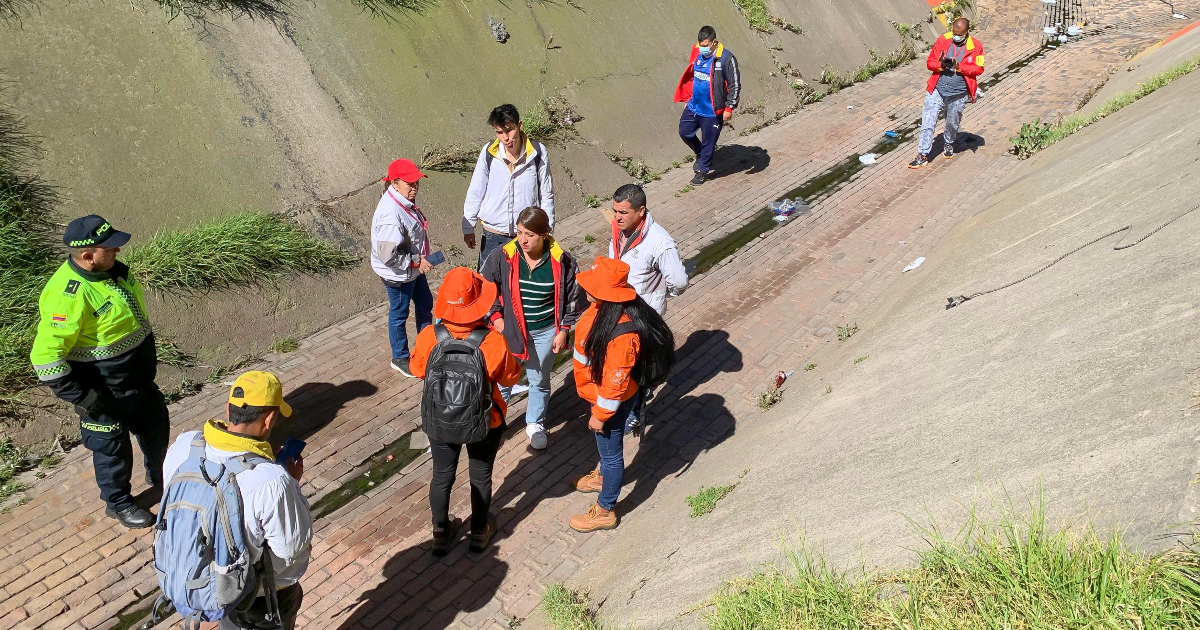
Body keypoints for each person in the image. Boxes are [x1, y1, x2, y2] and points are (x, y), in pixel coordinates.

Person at [30, 215, 169, 529]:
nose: (118, 252)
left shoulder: (113, 273)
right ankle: (118, 504)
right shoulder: (68, 296)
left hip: (138, 382)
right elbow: (45, 358)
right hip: (105, 393)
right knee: (112, 453)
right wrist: (84, 398)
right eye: (110, 248)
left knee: (156, 430)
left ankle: (160, 476)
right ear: (88, 256)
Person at [162, 371, 312, 630]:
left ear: (228, 410)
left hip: (200, 577)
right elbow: (290, 549)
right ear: (269, 419)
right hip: (257, 594)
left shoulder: (184, 447)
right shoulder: (272, 480)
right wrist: (292, 483)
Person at [410, 267, 521, 555]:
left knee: (442, 474)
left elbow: (416, 369)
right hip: (485, 420)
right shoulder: (493, 342)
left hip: (439, 418)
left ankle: (440, 532)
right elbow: (510, 378)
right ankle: (480, 532)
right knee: (480, 475)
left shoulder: (428, 336)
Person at [568, 258, 675, 533]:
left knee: (612, 454)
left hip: (609, 403)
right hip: (603, 395)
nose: (585, 289)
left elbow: (614, 383)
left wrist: (600, 416)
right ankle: (603, 476)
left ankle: (605, 509)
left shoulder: (622, 334)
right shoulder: (603, 309)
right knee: (607, 451)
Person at [480, 207, 585, 450]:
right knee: (503, 378)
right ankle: (496, 423)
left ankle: (535, 423)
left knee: (539, 379)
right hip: (510, 331)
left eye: (530, 234)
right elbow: (486, 288)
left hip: (545, 332)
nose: (523, 240)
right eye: (519, 233)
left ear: (545, 234)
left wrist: (563, 329)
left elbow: (573, 298)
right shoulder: (502, 256)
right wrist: (496, 318)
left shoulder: (563, 261)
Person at [463, 104, 556, 269]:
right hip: (493, 234)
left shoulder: (538, 152)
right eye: (499, 132)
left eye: (509, 130)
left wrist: (547, 229)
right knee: (489, 286)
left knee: (521, 285)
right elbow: (476, 189)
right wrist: (468, 226)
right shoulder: (489, 152)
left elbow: (546, 193)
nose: (505, 137)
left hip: (526, 234)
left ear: (519, 125)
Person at [371, 158, 435, 377]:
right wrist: (417, 261)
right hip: (398, 275)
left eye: (416, 183)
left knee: (425, 302)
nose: (415, 188)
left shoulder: (400, 201)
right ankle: (400, 358)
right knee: (399, 314)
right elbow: (388, 256)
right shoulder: (390, 215)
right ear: (394, 183)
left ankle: (427, 347)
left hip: (411, 271)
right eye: (410, 184)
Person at [909, 17, 985, 169]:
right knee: (928, 122)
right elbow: (930, 63)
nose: (956, 37)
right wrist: (941, 65)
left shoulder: (976, 46)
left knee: (952, 123)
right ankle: (922, 154)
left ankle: (949, 143)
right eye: (954, 33)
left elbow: (979, 69)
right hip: (937, 90)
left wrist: (960, 66)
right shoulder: (943, 40)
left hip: (959, 94)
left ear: (966, 32)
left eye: (960, 34)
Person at [674, 25, 741, 186]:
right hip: (694, 106)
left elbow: (735, 85)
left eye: (705, 46)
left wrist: (729, 108)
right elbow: (692, 77)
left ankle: (702, 171)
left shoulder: (726, 58)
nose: (702, 49)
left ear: (714, 42)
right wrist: (688, 98)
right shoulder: (696, 51)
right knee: (685, 132)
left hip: (712, 111)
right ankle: (700, 152)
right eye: (700, 45)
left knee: (708, 142)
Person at [608, 184, 688, 316]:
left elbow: (679, 282)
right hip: (619, 308)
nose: (617, 217)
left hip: (644, 316)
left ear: (641, 211)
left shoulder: (660, 241)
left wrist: (660, 295)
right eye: (615, 211)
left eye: (623, 212)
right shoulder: (618, 229)